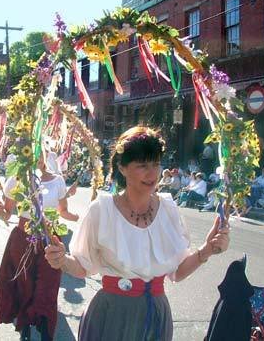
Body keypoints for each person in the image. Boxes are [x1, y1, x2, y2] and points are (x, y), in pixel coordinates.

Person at [44, 126, 230, 341]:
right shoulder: (101, 210)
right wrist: (61, 260)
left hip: (156, 316)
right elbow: (83, 267)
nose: (152, 173)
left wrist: (207, 249)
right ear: (122, 168)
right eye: (142, 165)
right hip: (111, 315)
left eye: (156, 164)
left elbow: (176, 273)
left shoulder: (169, 209)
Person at [0, 151, 79, 341]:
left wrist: (77, 217)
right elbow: (7, 214)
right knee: (24, 284)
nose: (35, 158)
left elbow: (62, 211)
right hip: (23, 238)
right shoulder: (16, 180)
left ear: (45, 155)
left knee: (48, 286)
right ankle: (25, 328)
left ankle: (46, 330)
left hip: (50, 241)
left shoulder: (57, 181)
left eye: (39, 153)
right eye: (30, 153)